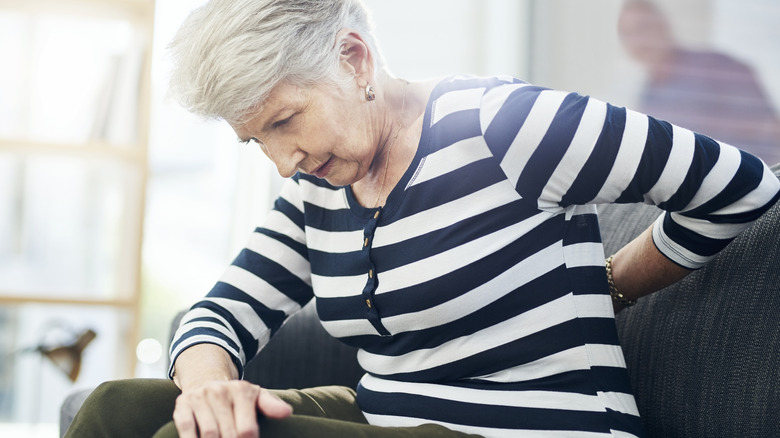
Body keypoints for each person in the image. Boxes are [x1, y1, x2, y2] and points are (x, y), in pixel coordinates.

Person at [65, 0, 780, 437]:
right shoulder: (318, 189)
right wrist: (207, 386)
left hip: (531, 431)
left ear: (354, 59)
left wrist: (615, 281)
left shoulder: (506, 124)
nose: (283, 161)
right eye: (259, 141)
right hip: (386, 420)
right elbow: (219, 314)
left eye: (286, 120)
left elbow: (739, 187)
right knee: (119, 408)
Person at [618, 0, 780, 165]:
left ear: (663, 25)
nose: (638, 40)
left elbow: (770, 129)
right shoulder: (647, 98)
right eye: (628, 34)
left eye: (643, 27)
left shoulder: (716, 68)